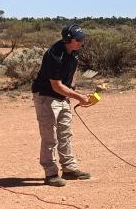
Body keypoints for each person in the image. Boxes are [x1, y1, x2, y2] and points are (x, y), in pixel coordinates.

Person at [31, 23, 93, 187]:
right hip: (46, 97)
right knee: (49, 136)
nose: (81, 42)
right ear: (68, 40)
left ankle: (69, 169)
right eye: (78, 40)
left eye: (82, 39)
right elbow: (56, 85)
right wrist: (79, 97)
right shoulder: (54, 55)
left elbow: (74, 71)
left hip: (62, 96)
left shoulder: (74, 52)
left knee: (65, 133)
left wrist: (71, 90)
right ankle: (51, 173)